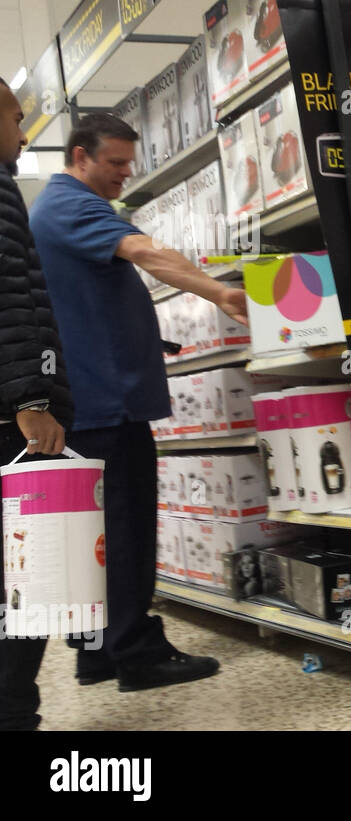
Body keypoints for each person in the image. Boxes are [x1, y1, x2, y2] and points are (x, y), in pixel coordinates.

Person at [29, 113, 247, 692]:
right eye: (115, 163)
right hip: (106, 404)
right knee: (123, 533)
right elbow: (149, 253)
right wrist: (221, 291)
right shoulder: (72, 206)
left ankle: (97, 650)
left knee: (98, 538)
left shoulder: (57, 212)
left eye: (130, 163)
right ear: (79, 157)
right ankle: (137, 653)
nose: (125, 175)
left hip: (93, 400)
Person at [0, 76, 74, 730]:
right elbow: (8, 295)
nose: (23, 136)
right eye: (16, 118)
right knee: (33, 576)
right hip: (12, 423)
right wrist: (29, 396)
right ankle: (14, 713)